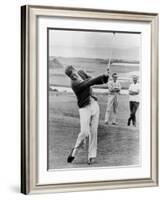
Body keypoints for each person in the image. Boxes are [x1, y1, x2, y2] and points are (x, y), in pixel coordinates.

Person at [65, 65, 109, 165]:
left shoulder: (81, 72)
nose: (74, 77)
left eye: (74, 74)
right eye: (71, 76)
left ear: (75, 70)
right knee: (84, 132)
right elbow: (89, 82)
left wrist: (105, 78)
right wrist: (102, 75)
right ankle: (74, 151)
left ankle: (92, 156)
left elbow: (93, 80)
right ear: (70, 77)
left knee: (94, 131)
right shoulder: (74, 84)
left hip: (94, 105)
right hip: (84, 108)